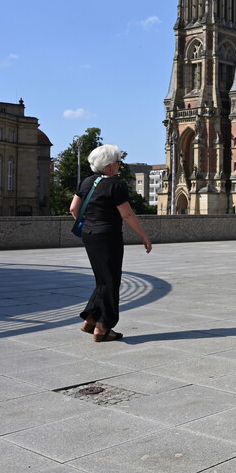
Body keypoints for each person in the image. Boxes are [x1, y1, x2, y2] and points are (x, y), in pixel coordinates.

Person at [69, 144, 153, 342]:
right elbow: (127, 214)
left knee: (102, 279)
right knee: (111, 281)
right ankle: (103, 327)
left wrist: (89, 226)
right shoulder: (116, 185)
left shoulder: (87, 182)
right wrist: (144, 235)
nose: (119, 164)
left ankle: (91, 318)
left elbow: (73, 208)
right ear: (108, 166)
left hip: (90, 235)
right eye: (117, 161)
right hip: (108, 236)